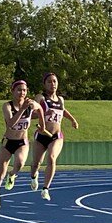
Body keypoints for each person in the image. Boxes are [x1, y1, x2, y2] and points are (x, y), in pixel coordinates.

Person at [0, 80, 50, 209]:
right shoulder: (7, 106)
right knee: (0, 173)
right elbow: (11, 123)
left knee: (20, 162)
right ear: (13, 91)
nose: (22, 93)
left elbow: (40, 109)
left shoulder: (30, 104)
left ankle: (12, 175)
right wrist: (22, 110)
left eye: (24, 90)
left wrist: (42, 127)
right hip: (8, 141)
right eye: (19, 90)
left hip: (22, 141)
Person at [29, 73, 79, 201]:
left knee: (51, 158)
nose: (53, 84)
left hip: (56, 136)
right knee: (36, 164)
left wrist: (73, 120)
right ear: (45, 84)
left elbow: (63, 110)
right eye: (50, 82)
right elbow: (32, 114)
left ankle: (45, 188)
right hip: (41, 135)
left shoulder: (61, 100)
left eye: (55, 81)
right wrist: (44, 112)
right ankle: (34, 176)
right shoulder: (41, 98)